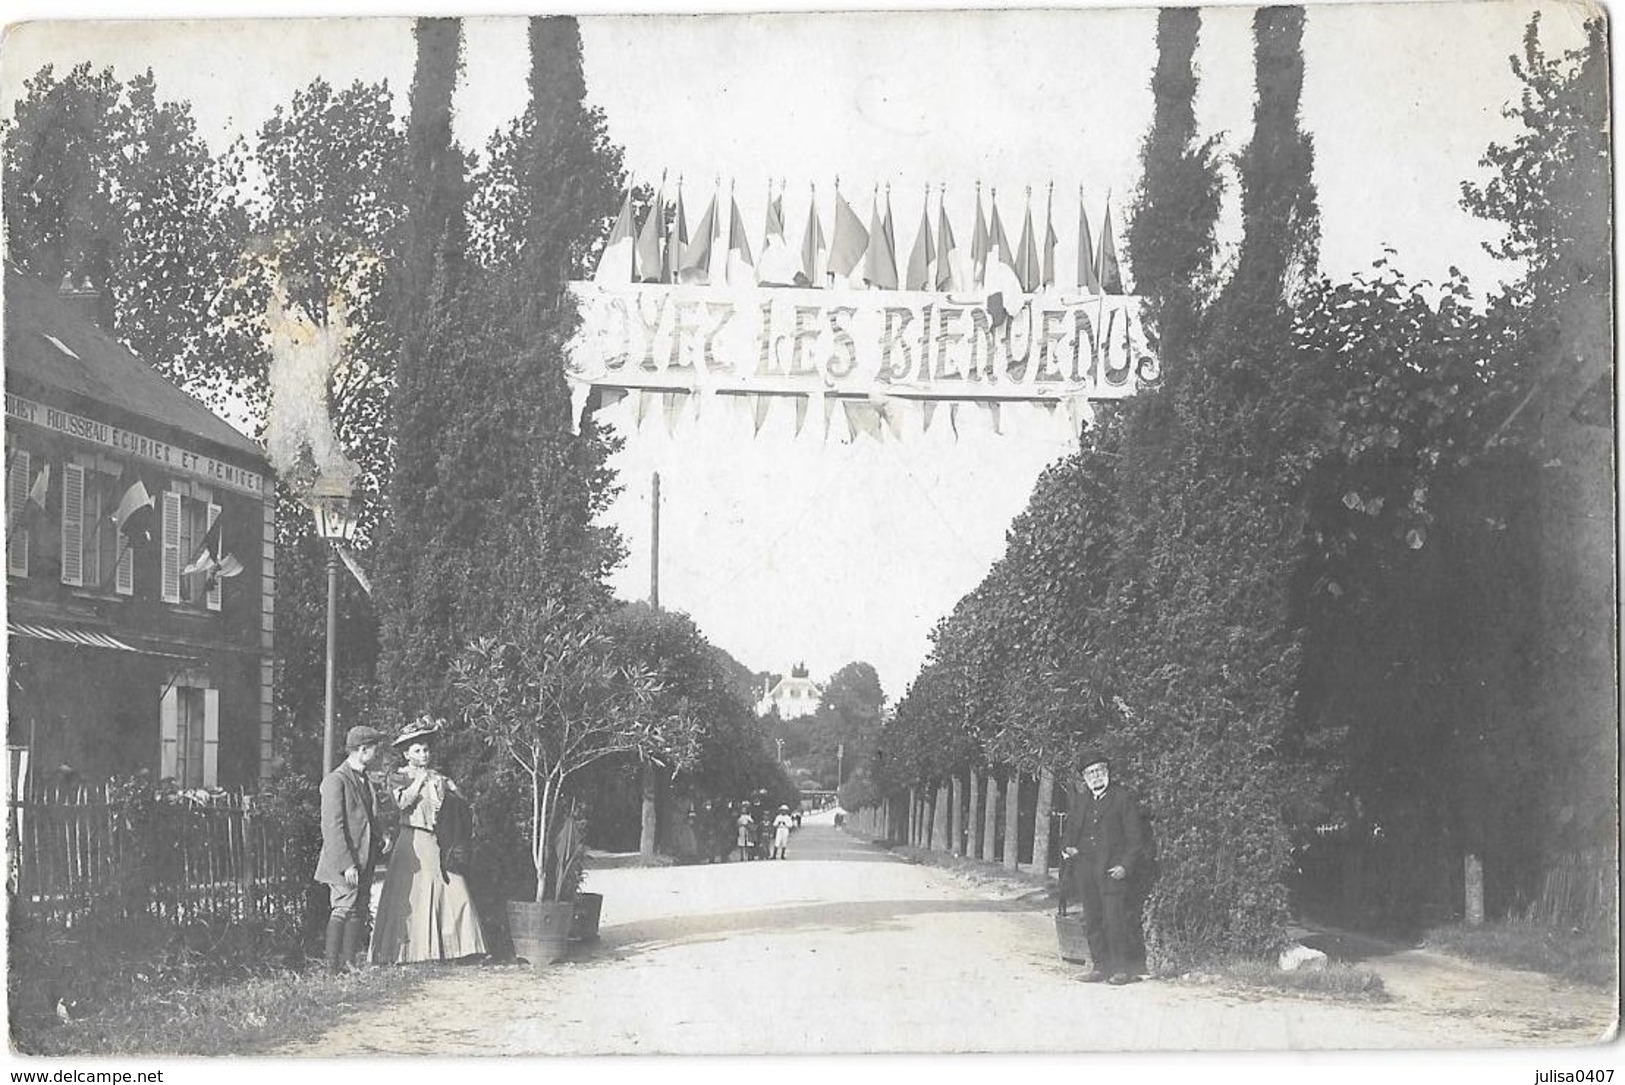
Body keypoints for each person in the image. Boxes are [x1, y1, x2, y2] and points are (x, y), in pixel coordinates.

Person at [370, 718, 487, 964]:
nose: (424, 755)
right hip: (411, 841)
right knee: (412, 896)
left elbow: (459, 807)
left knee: (455, 888)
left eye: (426, 750)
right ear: (406, 754)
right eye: (417, 750)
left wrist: (452, 793)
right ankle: (409, 952)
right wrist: (420, 781)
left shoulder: (438, 777)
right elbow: (402, 803)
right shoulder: (400, 777)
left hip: (438, 841)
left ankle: (460, 949)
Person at [1061, 752, 1146, 985]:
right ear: (1084, 778)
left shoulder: (1122, 798)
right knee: (1092, 918)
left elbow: (1136, 838)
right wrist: (1068, 848)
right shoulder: (1081, 801)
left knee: (1114, 918)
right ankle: (1100, 966)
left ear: (1107, 772)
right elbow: (1070, 831)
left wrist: (1125, 866)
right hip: (1086, 869)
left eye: (1100, 770)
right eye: (1090, 773)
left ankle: (1120, 969)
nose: (1096, 776)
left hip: (1111, 869)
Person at [315, 725, 387, 973]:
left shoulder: (364, 778)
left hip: (365, 857)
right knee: (343, 907)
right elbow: (332, 827)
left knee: (358, 907)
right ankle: (331, 968)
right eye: (374, 748)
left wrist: (381, 835)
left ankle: (349, 963)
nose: (377, 753)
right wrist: (346, 864)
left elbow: (367, 817)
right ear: (362, 749)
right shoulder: (336, 781)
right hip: (343, 860)